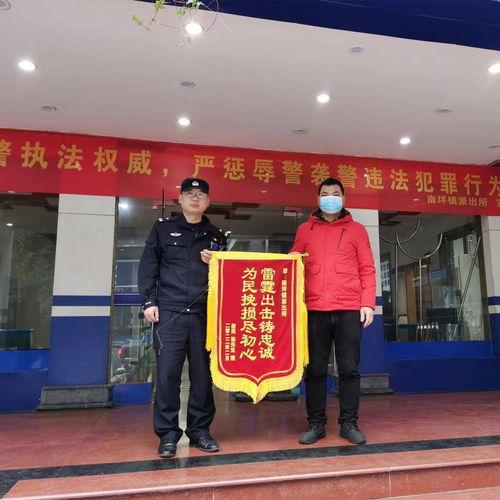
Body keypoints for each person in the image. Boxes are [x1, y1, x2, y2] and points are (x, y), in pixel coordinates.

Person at [138, 177, 227, 458]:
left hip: (204, 316)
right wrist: (148, 302)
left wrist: (218, 263)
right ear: (180, 199)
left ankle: (200, 431)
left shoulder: (216, 236)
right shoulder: (163, 229)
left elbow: (228, 278)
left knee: (202, 377)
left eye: (201, 194)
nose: (195, 198)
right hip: (169, 314)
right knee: (168, 376)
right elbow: (148, 266)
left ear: (208, 201)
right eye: (189, 193)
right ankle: (167, 435)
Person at [290, 177, 376, 445]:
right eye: (325, 194)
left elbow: (367, 268)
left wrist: (367, 302)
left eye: (336, 193)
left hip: (349, 308)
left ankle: (349, 423)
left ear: (343, 198)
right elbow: (292, 265)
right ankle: (316, 423)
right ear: (317, 200)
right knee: (315, 370)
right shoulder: (305, 230)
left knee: (349, 369)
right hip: (314, 309)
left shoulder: (357, 230)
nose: (330, 198)